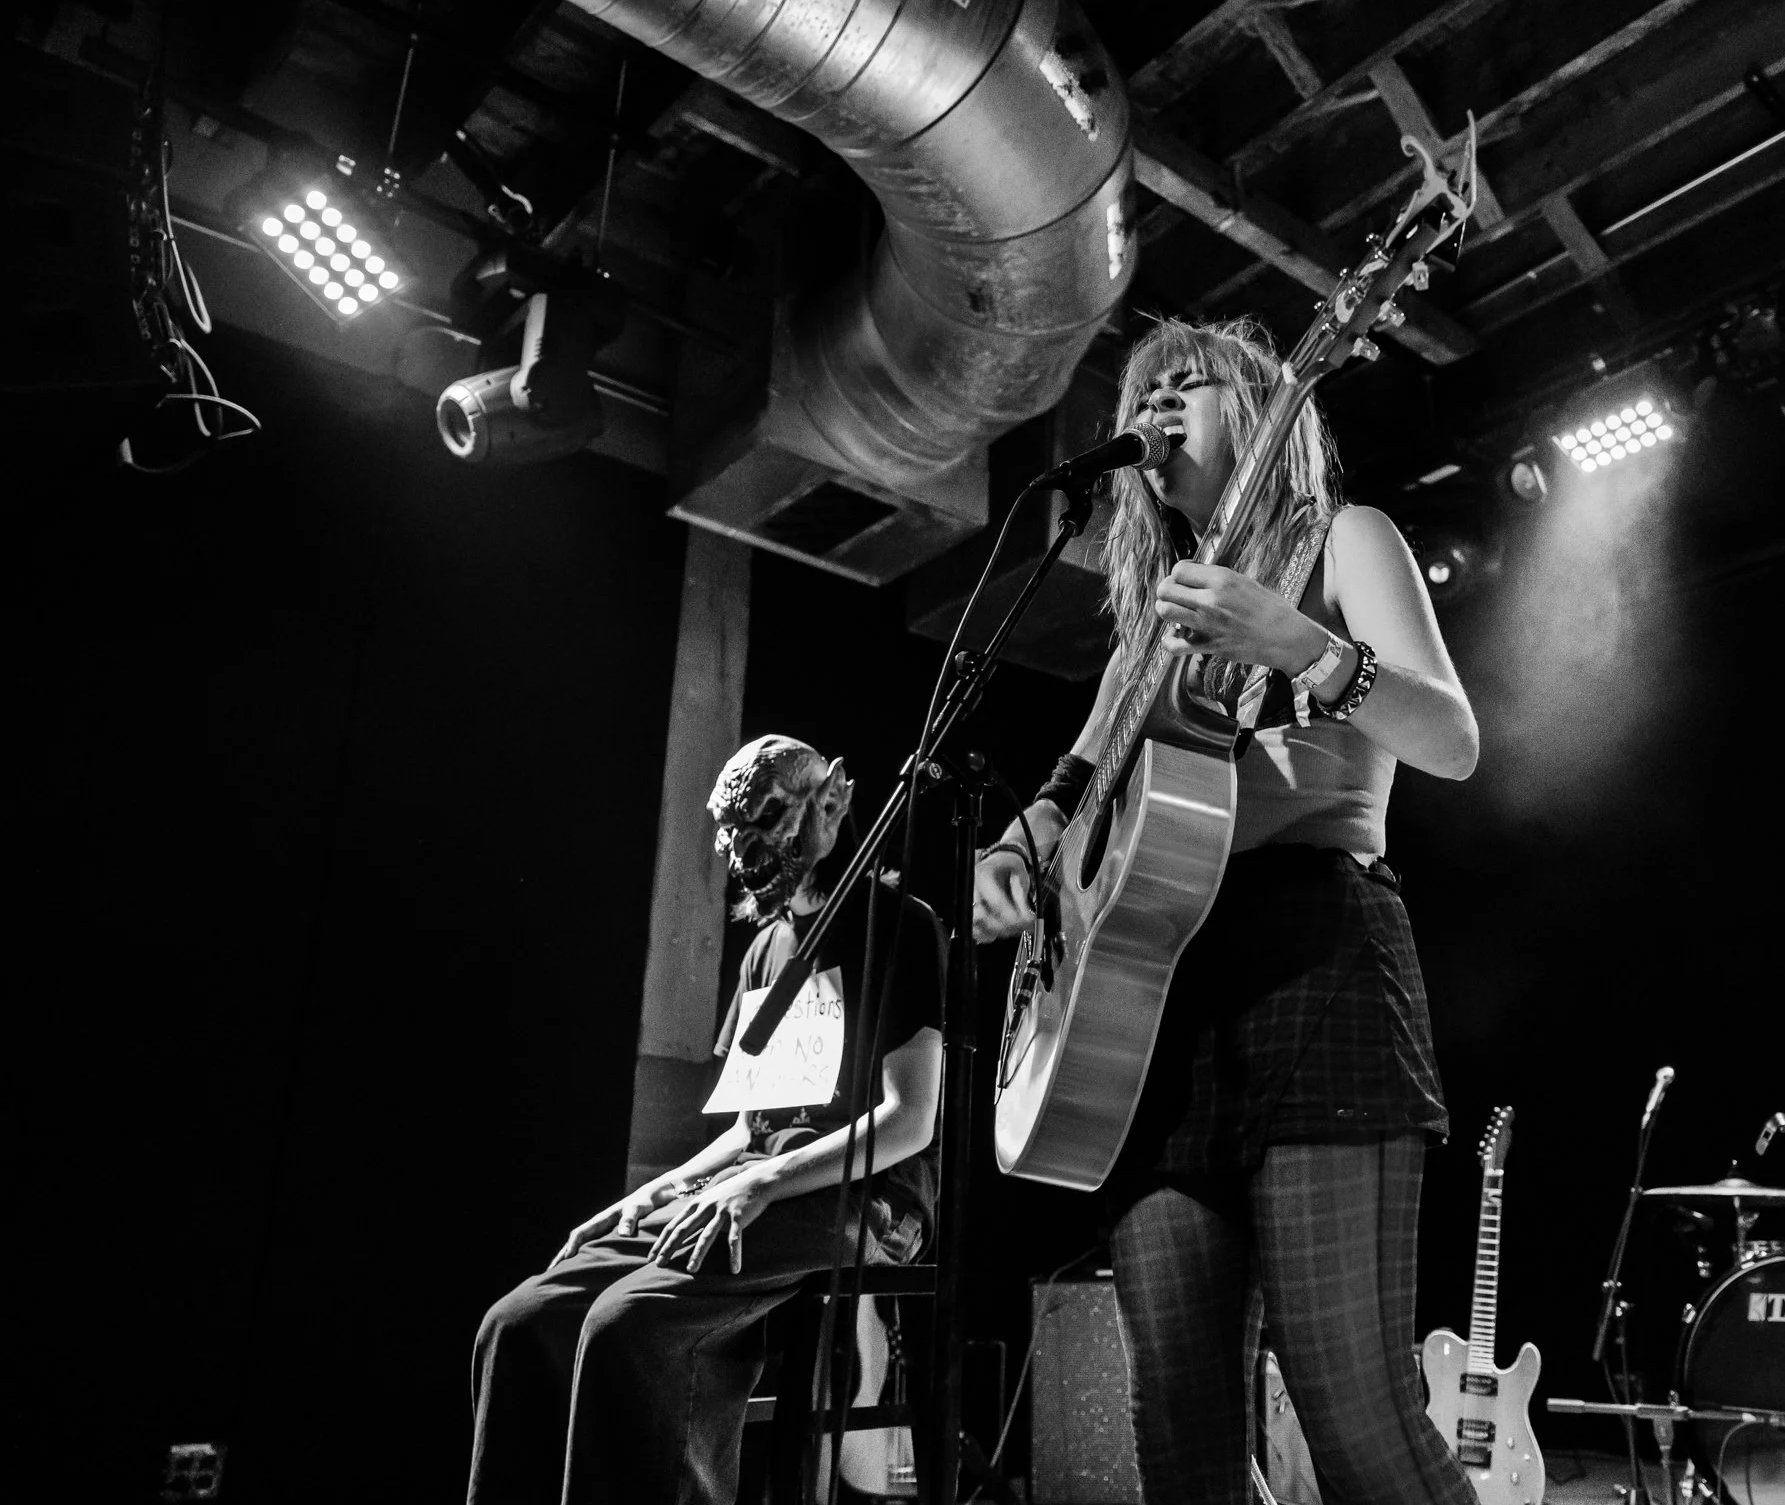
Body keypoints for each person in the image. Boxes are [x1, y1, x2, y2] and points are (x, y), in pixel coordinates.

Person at [973, 317, 1482, 1505]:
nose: (1153, 410)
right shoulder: (1150, 624)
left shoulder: (1346, 537)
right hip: (1152, 1010)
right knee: (1180, 1435)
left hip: (1318, 960)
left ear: (1255, 407)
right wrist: (1016, 848)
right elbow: (1070, 787)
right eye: (1139, 399)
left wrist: (1299, 642)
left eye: (1184, 386)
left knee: (1358, 1419)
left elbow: (1452, 739)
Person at [470, 735, 944, 1505]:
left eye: (766, 822)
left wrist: (766, 1181)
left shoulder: (901, 925)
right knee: (521, 1322)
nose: (742, 852)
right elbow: (744, 1129)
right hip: (756, 1181)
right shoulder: (763, 953)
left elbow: (909, 1119)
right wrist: (648, 1194)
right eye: (731, 833)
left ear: (831, 802)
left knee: (629, 1325)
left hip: (866, 1195)